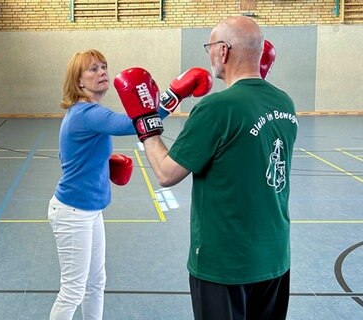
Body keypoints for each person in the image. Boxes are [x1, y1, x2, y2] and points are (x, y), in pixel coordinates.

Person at [116, 16, 298, 319]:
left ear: (223, 51)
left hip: (224, 264)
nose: (209, 53)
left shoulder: (216, 108)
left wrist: (145, 121)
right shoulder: (285, 103)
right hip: (275, 257)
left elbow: (166, 173)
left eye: (210, 46)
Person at [48, 49, 175, 320]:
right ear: (78, 81)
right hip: (73, 212)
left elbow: (65, 156)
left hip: (89, 210)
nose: (102, 72)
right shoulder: (85, 113)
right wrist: (173, 96)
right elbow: (134, 125)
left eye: (103, 66)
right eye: (93, 69)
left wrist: (101, 165)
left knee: (96, 283)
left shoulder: (85, 112)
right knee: (73, 290)